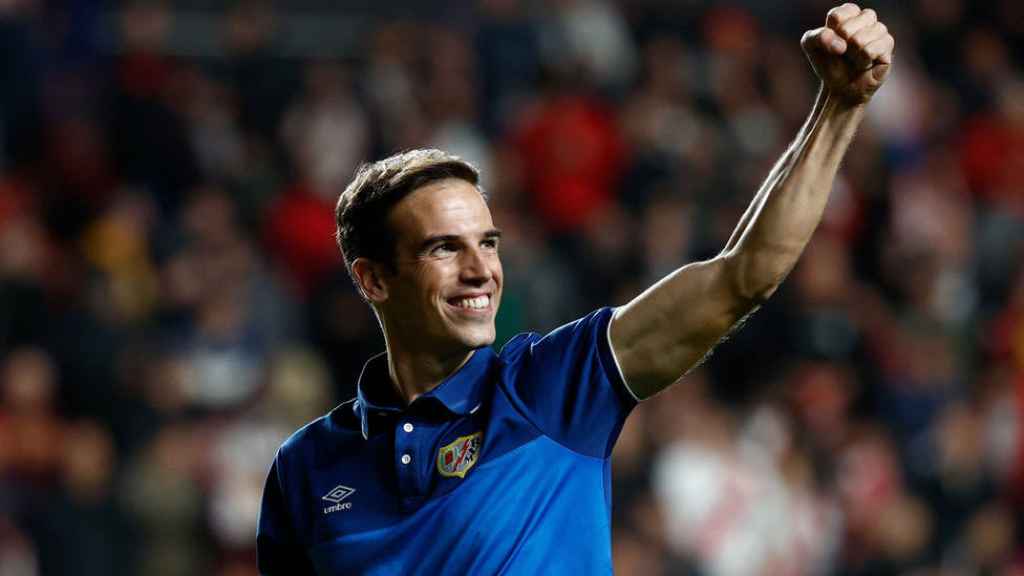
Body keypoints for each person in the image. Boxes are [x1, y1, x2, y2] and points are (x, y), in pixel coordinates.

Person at [256, 4, 895, 574]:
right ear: (373, 278)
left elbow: (743, 275)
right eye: (445, 247)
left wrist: (836, 110)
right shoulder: (305, 467)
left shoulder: (552, 388)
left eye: (488, 243)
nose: (481, 269)